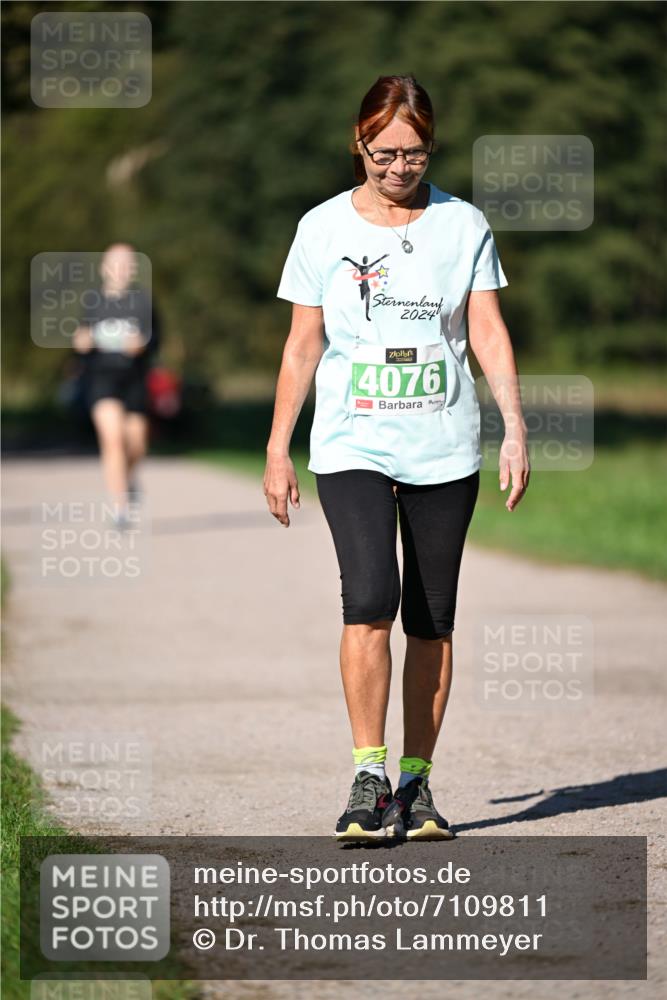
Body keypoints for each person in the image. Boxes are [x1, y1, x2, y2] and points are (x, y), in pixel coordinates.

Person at [264, 75, 529, 842]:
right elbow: (301, 344)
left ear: (430, 149)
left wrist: (512, 425)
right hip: (351, 442)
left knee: (431, 618)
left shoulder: (463, 224)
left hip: (443, 446)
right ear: (359, 144)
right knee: (369, 599)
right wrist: (278, 448)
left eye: (413, 154)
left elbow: (485, 330)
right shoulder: (320, 228)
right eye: (383, 153)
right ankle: (366, 775)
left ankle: (415, 786)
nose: (398, 169)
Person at [72, 243, 160, 521]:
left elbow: (157, 339)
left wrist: (142, 345)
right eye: (116, 263)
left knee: (137, 444)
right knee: (112, 441)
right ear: (104, 267)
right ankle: (119, 508)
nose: (121, 269)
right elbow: (80, 339)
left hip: (134, 378)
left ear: (133, 269)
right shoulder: (92, 301)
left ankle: (127, 478)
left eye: (127, 264)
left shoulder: (143, 302)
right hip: (100, 378)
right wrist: (80, 342)